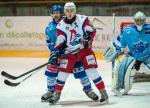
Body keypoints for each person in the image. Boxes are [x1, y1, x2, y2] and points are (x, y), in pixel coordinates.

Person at [49, 2, 108, 104]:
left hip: (84, 51)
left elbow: (91, 31)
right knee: (62, 73)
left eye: (71, 10)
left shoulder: (83, 19)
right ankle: (57, 94)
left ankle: (103, 93)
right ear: (65, 11)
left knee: (91, 71)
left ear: (75, 10)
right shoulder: (60, 25)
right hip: (70, 52)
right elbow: (60, 42)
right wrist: (55, 54)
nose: (69, 12)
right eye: (67, 10)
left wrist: (87, 40)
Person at [104, 11, 150, 96]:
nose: (139, 22)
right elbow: (120, 43)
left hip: (148, 56)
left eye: (141, 20)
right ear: (134, 20)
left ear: (145, 20)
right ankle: (121, 87)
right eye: (137, 20)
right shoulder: (127, 31)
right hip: (134, 56)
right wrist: (116, 50)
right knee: (122, 68)